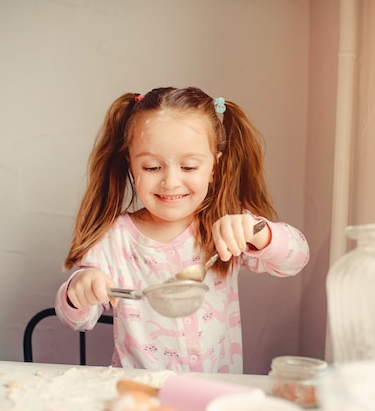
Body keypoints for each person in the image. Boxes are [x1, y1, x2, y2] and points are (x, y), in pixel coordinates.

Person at [55, 87, 309, 373]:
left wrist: (258, 232)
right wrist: (78, 292)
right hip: (144, 398)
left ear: (214, 167)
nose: (171, 182)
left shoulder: (226, 226)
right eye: (152, 167)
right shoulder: (113, 239)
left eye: (189, 167)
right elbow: (76, 320)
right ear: (131, 165)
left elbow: (296, 258)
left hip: (215, 394)